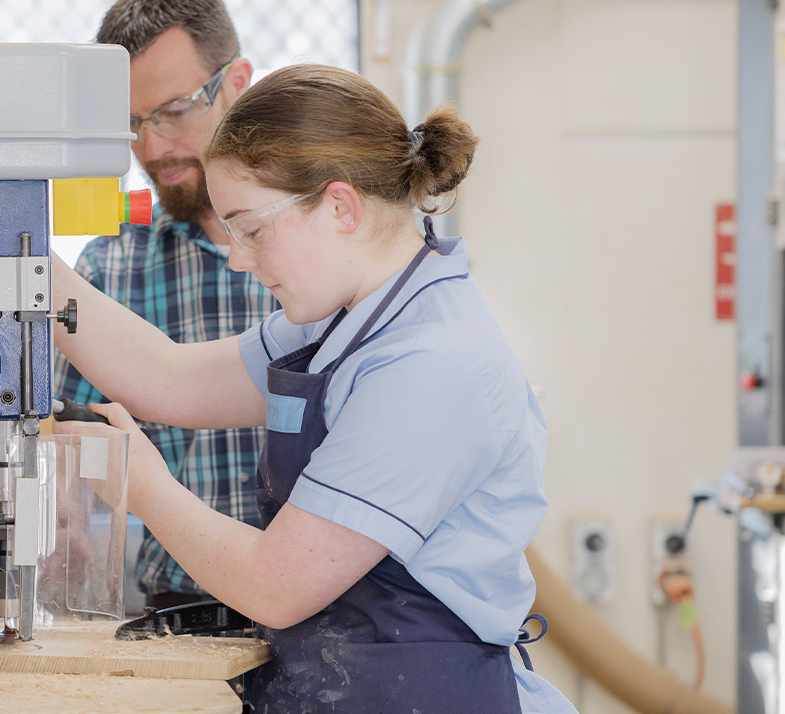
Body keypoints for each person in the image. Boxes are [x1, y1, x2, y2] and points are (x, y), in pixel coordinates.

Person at [54, 64, 577, 713]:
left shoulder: (430, 365)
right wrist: (23, 260)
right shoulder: (345, 320)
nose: (239, 259)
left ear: (340, 205)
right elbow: (169, 379)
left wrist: (144, 487)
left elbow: (276, 585)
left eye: (252, 228)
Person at [56, 0, 277, 610]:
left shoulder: (317, 250)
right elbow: (69, 425)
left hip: (329, 604)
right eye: (130, 123)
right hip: (182, 608)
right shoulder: (107, 268)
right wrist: (63, 519)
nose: (151, 148)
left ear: (237, 83)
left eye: (175, 111)